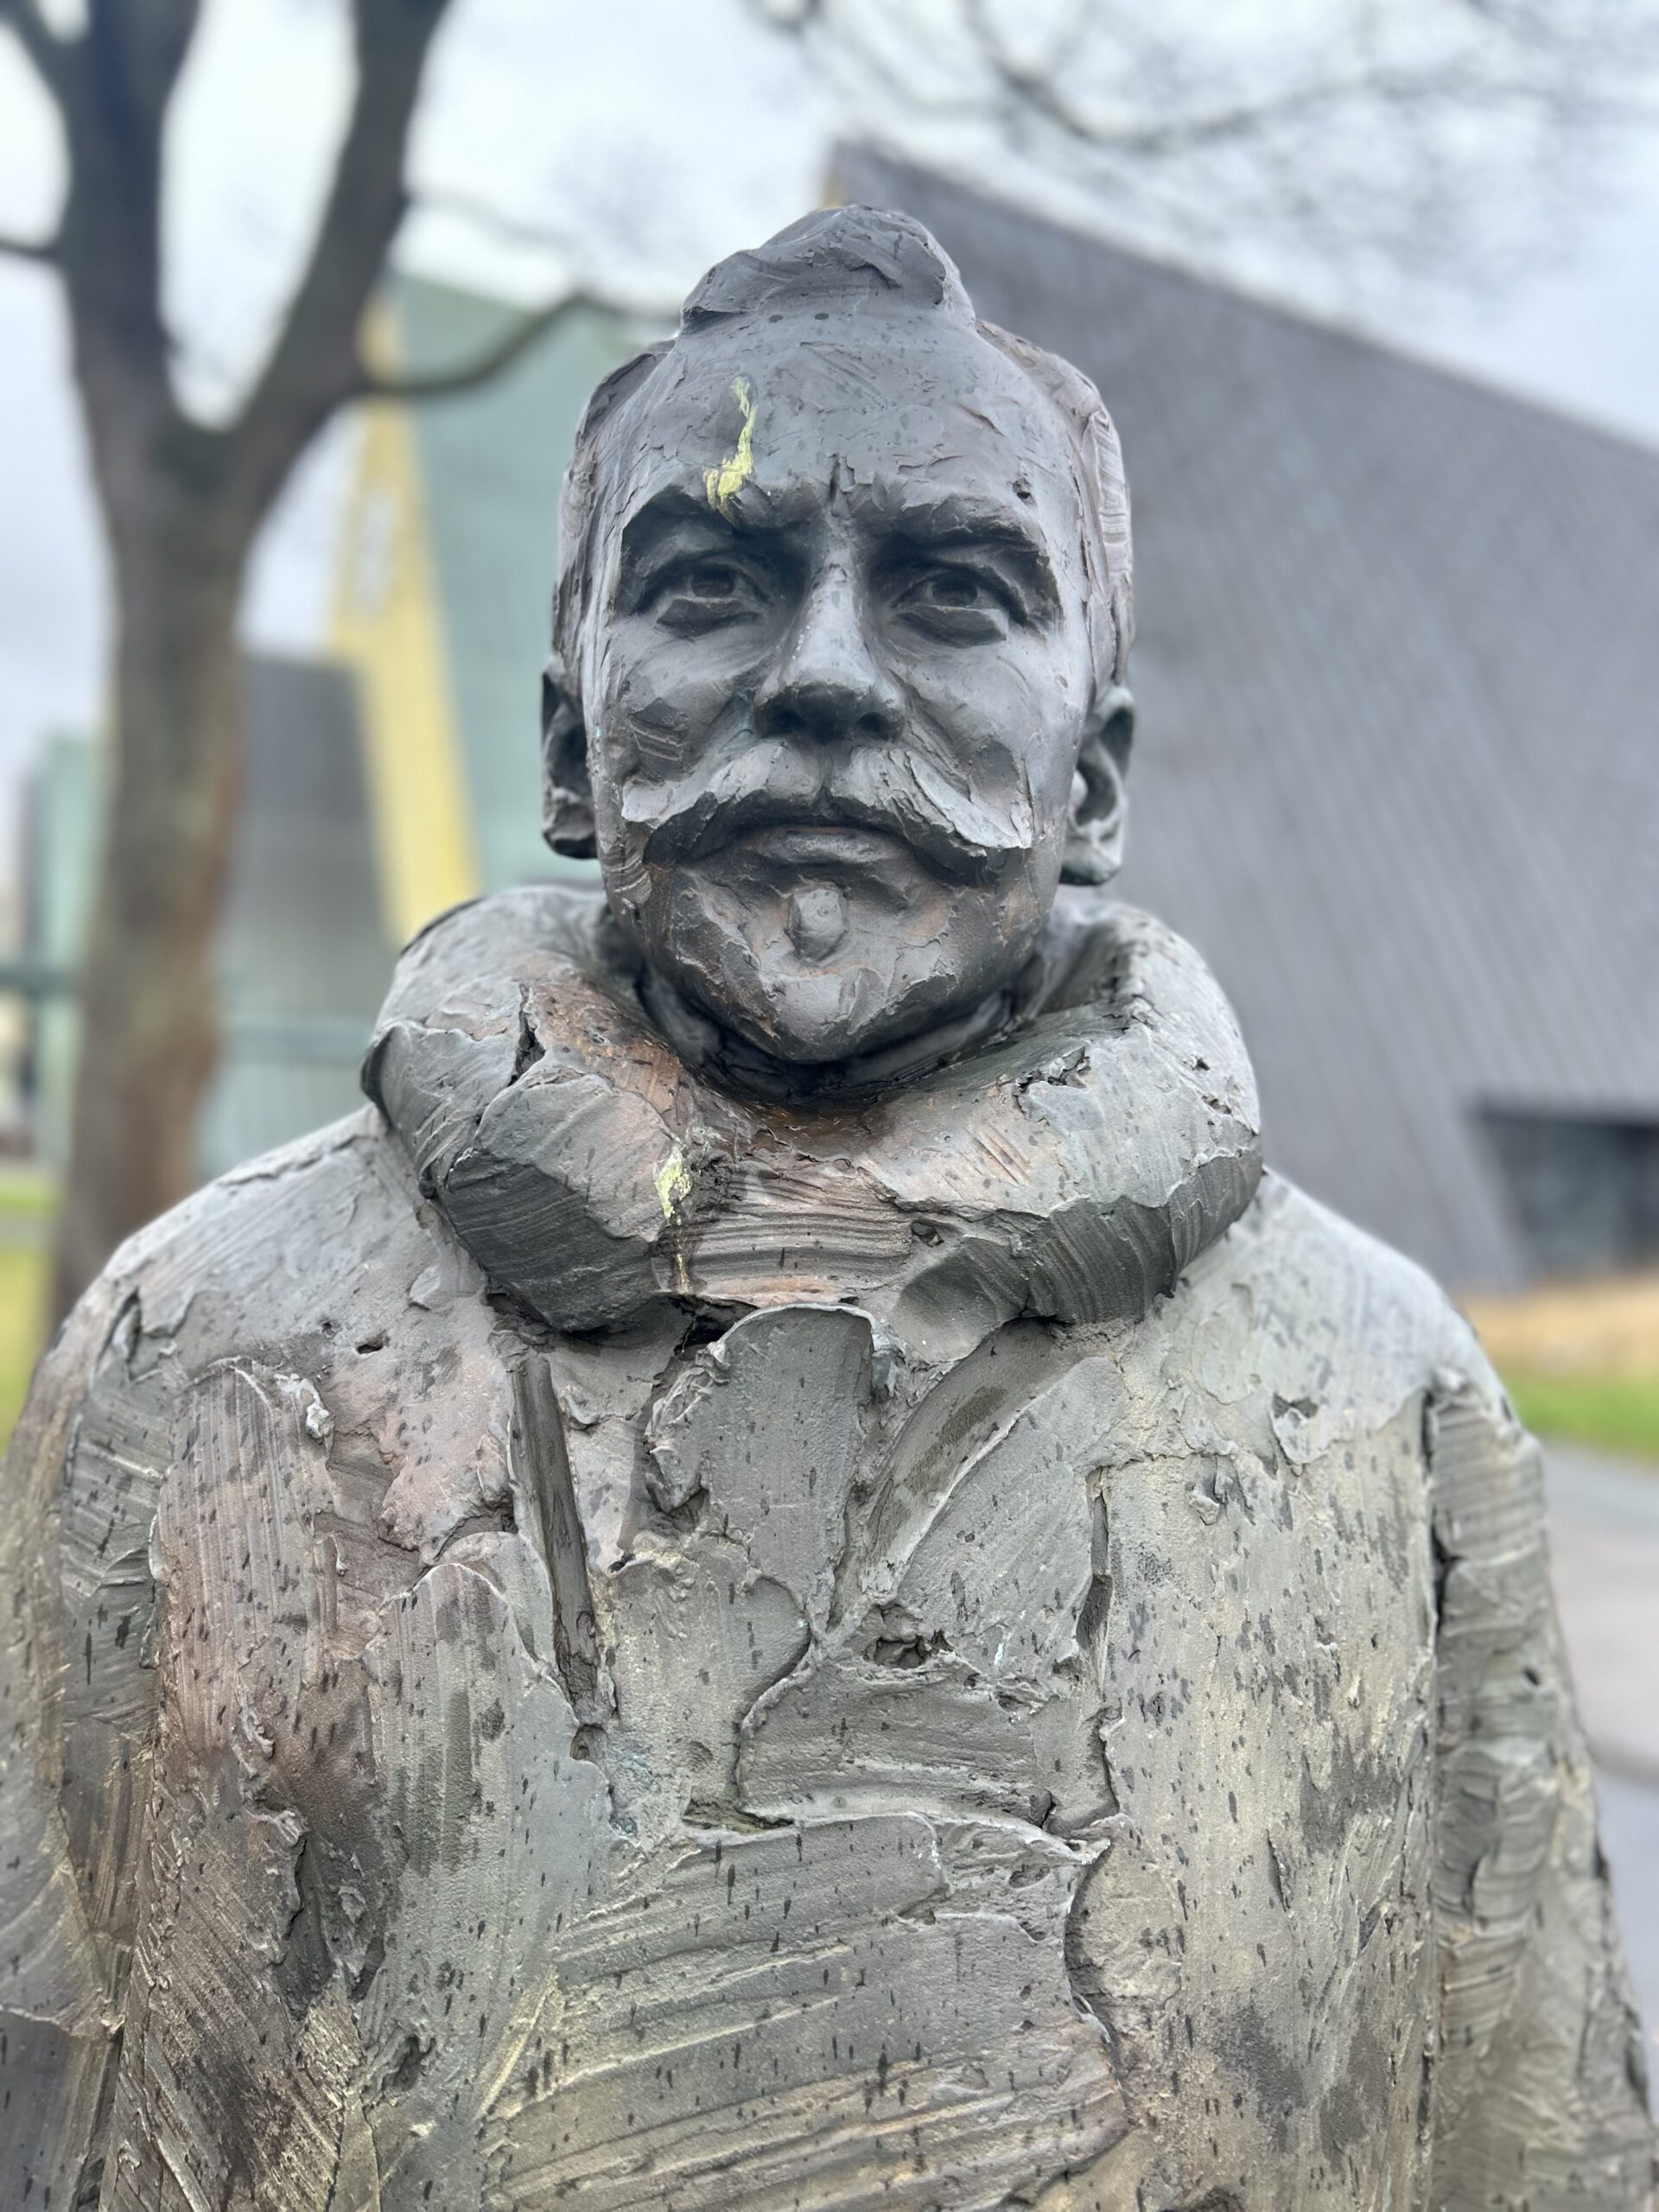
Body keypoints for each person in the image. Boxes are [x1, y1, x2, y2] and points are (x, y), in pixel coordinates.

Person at [3, 206, 1650, 2211]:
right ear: (569, 747)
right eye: (713, 583)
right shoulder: (193, 1349)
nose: (829, 677)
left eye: (956, 591)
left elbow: (1543, 2136)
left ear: (1095, 778)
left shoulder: (1392, 1400)